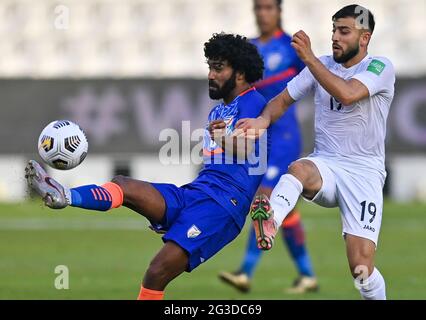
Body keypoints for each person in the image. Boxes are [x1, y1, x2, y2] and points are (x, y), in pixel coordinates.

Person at [25, 33, 270, 300]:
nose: (211, 75)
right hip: (196, 194)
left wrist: (224, 138)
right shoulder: (217, 112)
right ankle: (65, 196)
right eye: (209, 67)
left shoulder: (253, 103)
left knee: (157, 272)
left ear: (241, 73)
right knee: (123, 185)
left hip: (223, 206)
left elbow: (246, 149)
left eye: (218, 68)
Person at [232, 4, 395, 300]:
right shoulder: (320, 65)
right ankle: (271, 222)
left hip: (364, 174)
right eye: (334, 30)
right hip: (327, 165)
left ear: (364, 38)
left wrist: (308, 59)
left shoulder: (379, 67)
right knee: (298, 169)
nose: (335, 37)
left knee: (361, 269)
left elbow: (347, 94)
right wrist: (262, 120)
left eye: (344, 31)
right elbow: (281, 100)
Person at [218, 0, 318, 294]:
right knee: (285, 209)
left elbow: (314, 79)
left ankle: (245, 272)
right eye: (259, 8)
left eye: (268, 8)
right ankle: (307, 275)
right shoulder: (247, 49)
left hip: (283, 136)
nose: (263, 13)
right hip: (255, 137)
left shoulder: (290, 47)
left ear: (279, 11)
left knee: (263, 197)